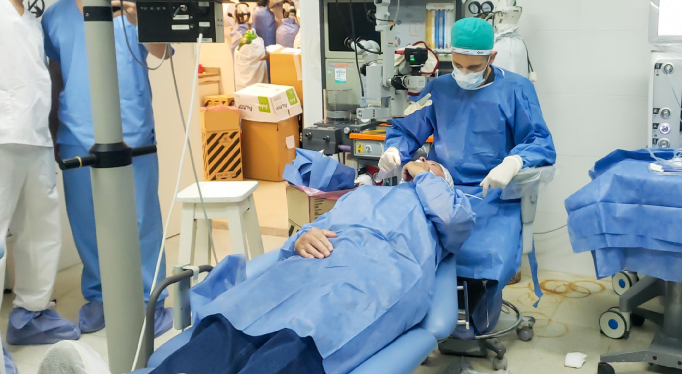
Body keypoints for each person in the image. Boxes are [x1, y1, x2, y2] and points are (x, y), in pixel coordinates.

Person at [36, 159, 472, 374]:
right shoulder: (365, 192)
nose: (422, 170)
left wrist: (428, 172)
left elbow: (455, 223)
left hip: (376, 277)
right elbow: (316, 217)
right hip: (313, 263)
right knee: (233, 324)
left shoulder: (446, 208)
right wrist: (300, 239)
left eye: (434, 171)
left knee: (300, 341)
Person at [379, 17, 556, 337]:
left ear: (492, 58)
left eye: (473, 68)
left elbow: (540, 143)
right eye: (457, 65)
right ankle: (428, 321)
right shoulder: (440, 88)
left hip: (495, 198)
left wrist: (514, 162)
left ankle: (476, 320)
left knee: (483, 256)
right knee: (412, 244)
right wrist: (394, 150)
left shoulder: (516, 89)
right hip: (441, 191)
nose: (463, 74)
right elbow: (406, 130)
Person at [42, 0, 173, 336]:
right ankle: (99, 297)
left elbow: (162, 51)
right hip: (75, 138)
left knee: (141, 223)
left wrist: (140, 20)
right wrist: (52, 133)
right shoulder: (55, 18)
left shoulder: (130, 9)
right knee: (87, 224)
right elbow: (54, 79)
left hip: (133, 135)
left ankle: (152, 299)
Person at [0, 0, 81, 372]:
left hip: (36, 136)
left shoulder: (30, 14)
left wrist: (53, 131)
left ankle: (30, 315)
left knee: (41, 232)